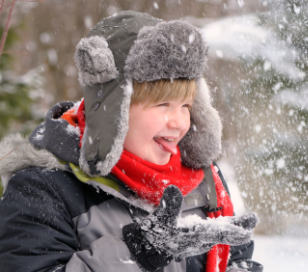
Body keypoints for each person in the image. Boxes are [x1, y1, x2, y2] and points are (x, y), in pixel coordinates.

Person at [0, 11, 263, 272]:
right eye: (163, 104)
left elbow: (237, 261)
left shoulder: (201, 178)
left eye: (186, 105)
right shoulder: (43, 189)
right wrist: (137, 253)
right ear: (114, 111)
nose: (180, 122)